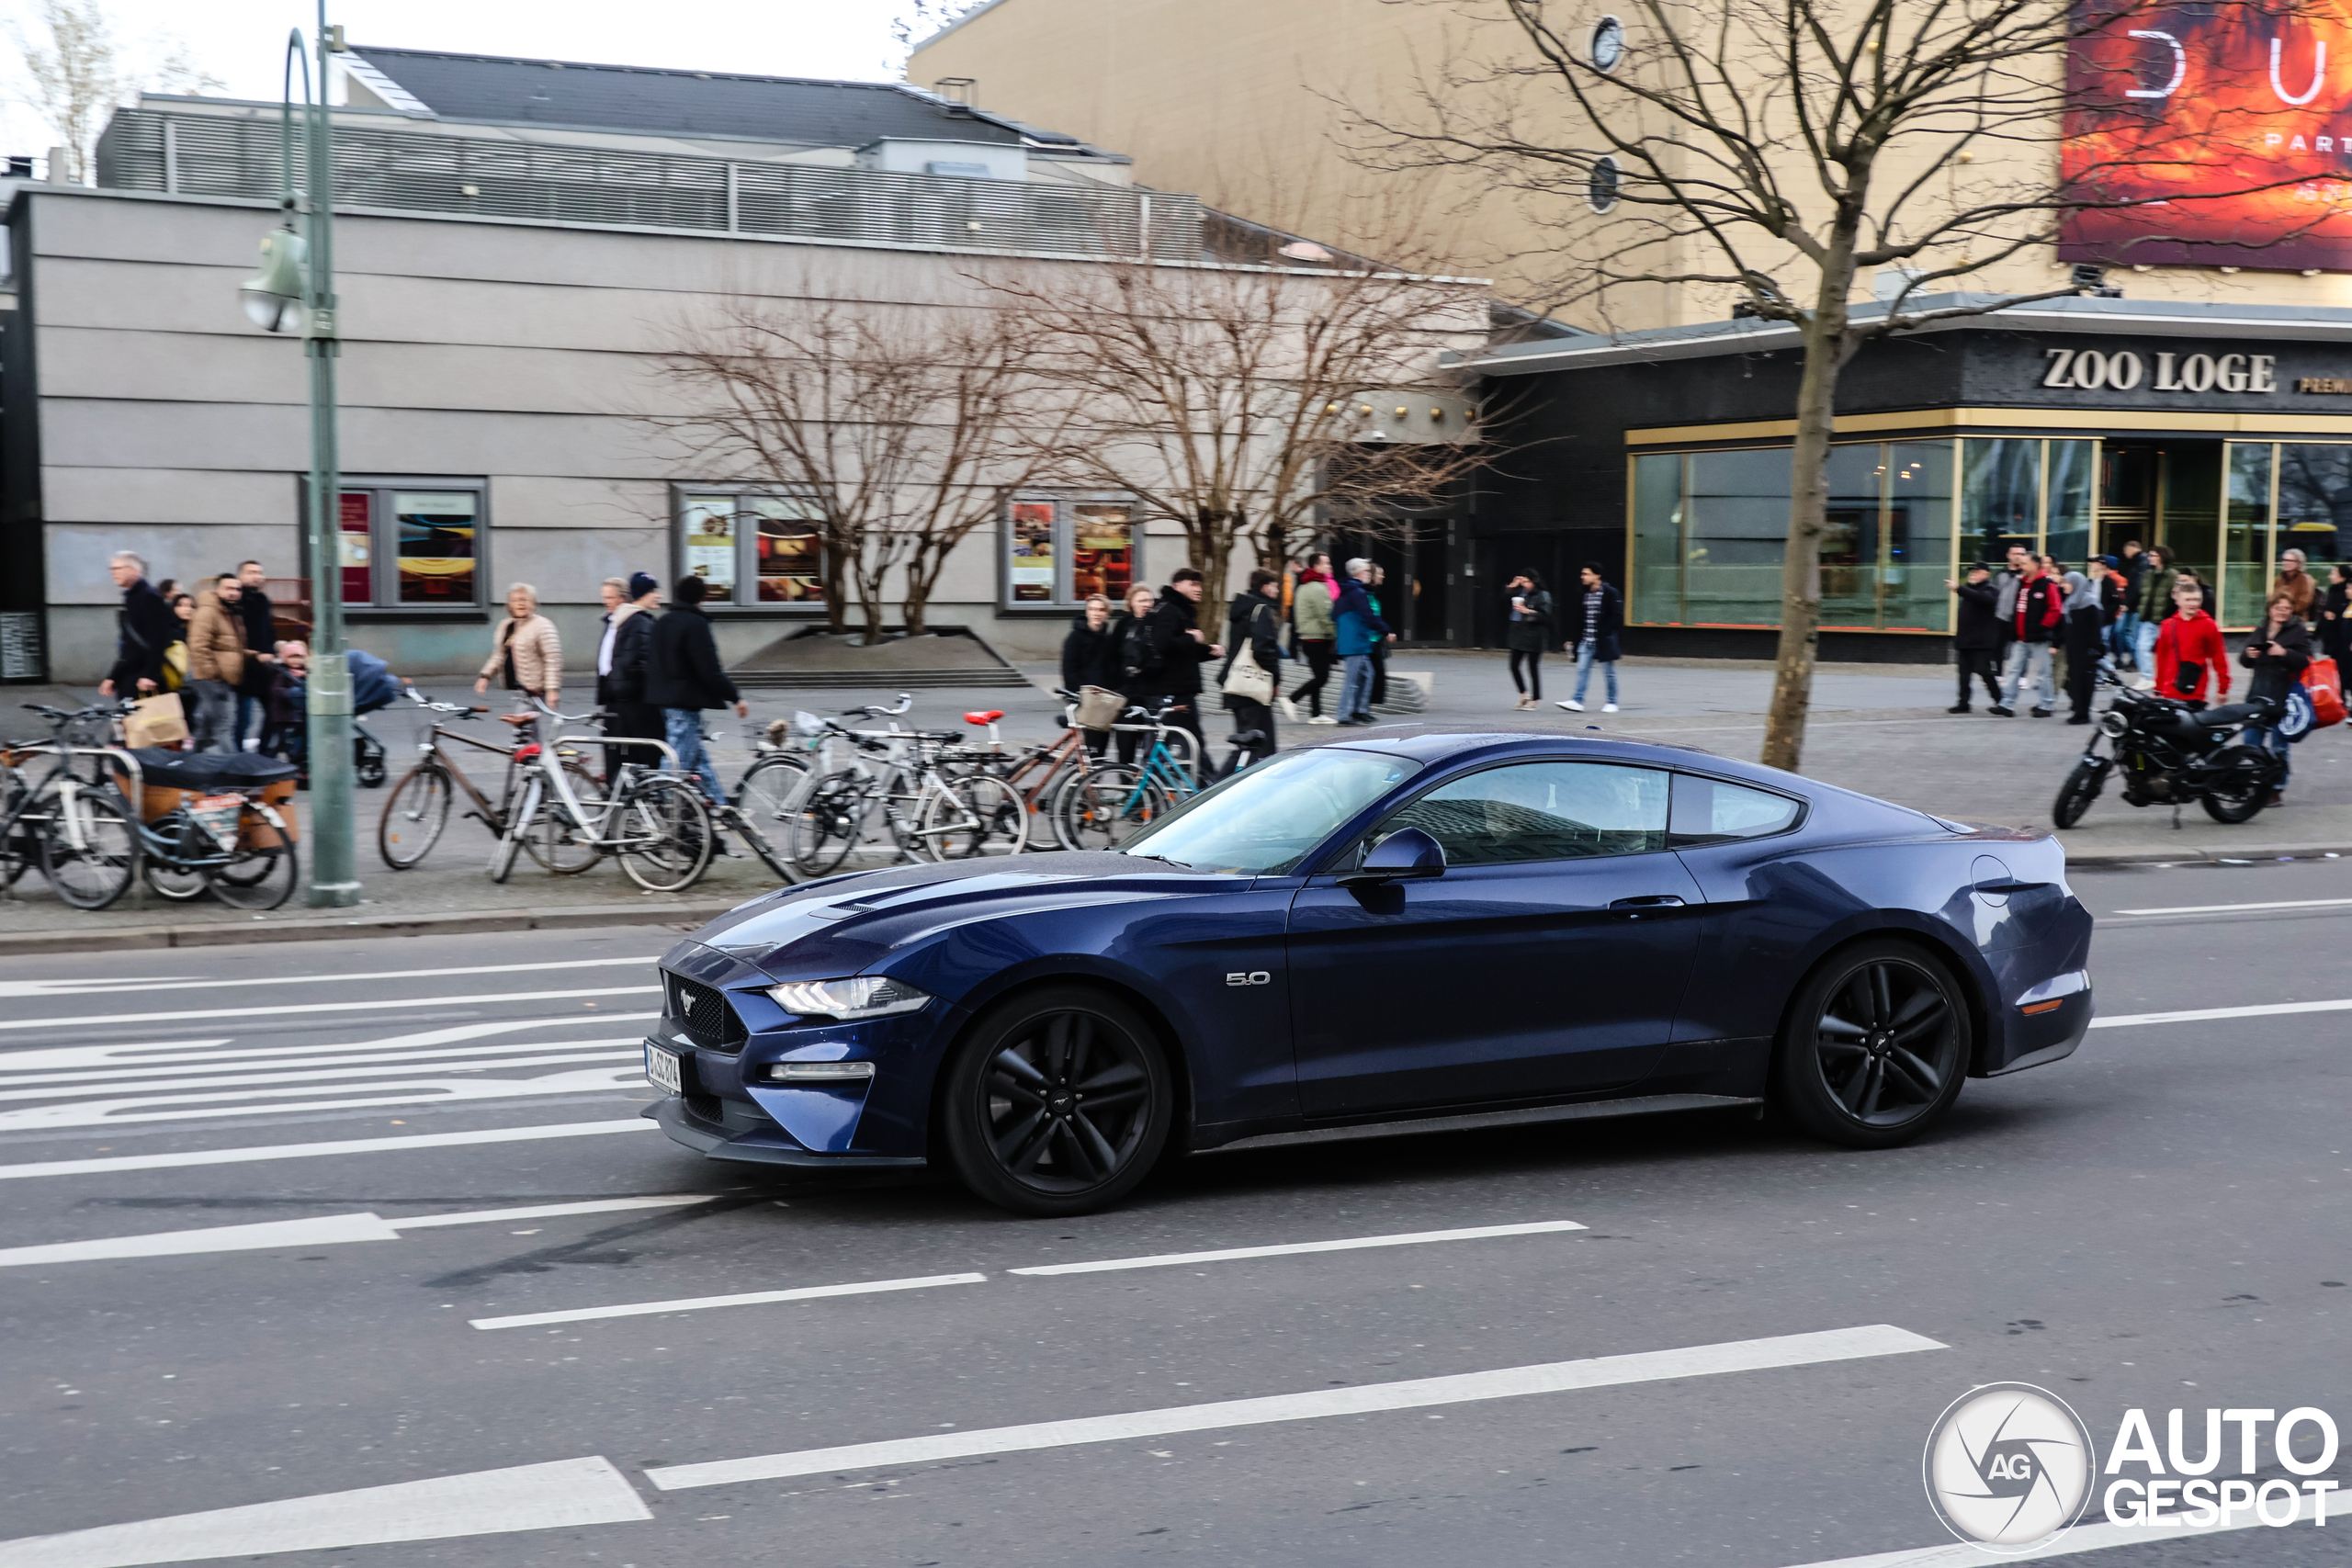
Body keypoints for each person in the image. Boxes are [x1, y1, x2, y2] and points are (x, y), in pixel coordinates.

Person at [646, 573, 747, 806]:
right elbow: (709, 669)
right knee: (677, 761)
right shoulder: (695, 624)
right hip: (684, 702)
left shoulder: (662, 622)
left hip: (663, 700)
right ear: (702, 597)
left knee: (698, 758)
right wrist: (735, 697)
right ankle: (662, 804)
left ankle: (719, 803)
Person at [2238, 592, 2312, 805]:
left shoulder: (2297, 631)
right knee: (2251, 742)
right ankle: (2254, 784)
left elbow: (2306, 661)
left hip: (2284, 695)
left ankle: (2276, 788)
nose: (2282, 611)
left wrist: (2284, 652)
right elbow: (2244, 659)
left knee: (2279, 746)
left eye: (2287, 608)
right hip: (2258, 693)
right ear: (2270, 609)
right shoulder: (2260, 630)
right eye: (2279, 607)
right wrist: (2248, 655)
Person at [1146, 567, 1221, 765]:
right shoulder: (1169, 610)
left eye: (1200, 585)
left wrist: (1207, 652)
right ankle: (1208, 789)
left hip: (1177, 691)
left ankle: (1148, 789)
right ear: (1177, 586)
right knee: (1194, 748)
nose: (1199, 589)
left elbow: (1180, 651)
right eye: (1193, 584)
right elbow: (1164, 644)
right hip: (1172, 694)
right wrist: (1191, 637)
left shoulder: (1180, 610)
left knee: (1163, 748)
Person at [598, 572, 664, 773]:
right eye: (653, 591)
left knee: (628, 750)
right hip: (626, 699)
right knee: (627, 750)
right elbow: (623, 662)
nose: (605, 602)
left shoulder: (630, 621)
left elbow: (632, 662)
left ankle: (624, 793)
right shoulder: (627, 621)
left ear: (623, 598)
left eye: (609, 597)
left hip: (626, 697)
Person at [1219, 569, 1283, 771]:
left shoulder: (1242, 608)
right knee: (1257, 746)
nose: (1277, 590)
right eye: (1275, 586)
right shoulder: (1261, 609)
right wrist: (1276, 678)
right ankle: (1216, 787)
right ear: (1265, 587)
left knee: (1248, 743)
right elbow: (1263, 649)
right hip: (1252, 688)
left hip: (1238, 684)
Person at [99, 550, 178, 700]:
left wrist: (150, 675)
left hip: (142, 679)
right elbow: (129, 644)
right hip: (132, 675)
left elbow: (159, 638)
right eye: (111, 569)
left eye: (117, 568)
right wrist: (114, 676)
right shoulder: (133, 597)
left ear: (133, 570)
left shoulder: (148, 597)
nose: (113, 573)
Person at [1993, 556, 2065, 716]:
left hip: (2038, 638)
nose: (2022, 565)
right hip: (2020, 637)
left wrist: (2043, 627)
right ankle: (2007, 704)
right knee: (2013, 670)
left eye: (2025, 563)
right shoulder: (2021, 584)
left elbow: (2056, 608)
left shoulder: (2047, 585)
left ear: (2036, 565)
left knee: (2042, 673)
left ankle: (2046, 705)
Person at [185, 573, 247, 753]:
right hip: (212, 680)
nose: (234, 593)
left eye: (237, 589)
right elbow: (198, 646)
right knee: (224, 725)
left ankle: (191, 762)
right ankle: (235, 770)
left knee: (205, 726)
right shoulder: (208, 612)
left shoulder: (229, 612)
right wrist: (212, 675)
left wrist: (254, 655)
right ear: (217, 590)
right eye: (228, 589)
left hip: (220, 679)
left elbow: (229, 646)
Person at [475, 582, 561, 707]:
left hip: (534, 691)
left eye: (524, 600)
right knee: (526, 726)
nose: (520, 604)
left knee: (523, 723)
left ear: (532, 603)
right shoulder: (507, 625)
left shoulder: (543, 625)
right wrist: (485, 677)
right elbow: (499, 654)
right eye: (515, 600)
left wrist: (552, 690)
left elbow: (553, 659)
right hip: (518, 689)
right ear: (509, 604)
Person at [1557, 561, 1624, 713]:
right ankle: (1577, 700)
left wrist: (1606, 631)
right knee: (1582, 670)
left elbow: (1617, 616)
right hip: (1586, 640)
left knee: (1609, 672)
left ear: (1597, 575)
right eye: (1582, 574)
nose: (1583, 577)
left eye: (1586, 574)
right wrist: (1573, 639)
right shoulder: (1584, 594)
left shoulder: (1610, 593)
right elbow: (1579, 619)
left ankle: (1612, 702)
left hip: (1603, 641)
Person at [1332, 558, 1392, 727]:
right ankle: (1345, 714)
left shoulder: (1351, 591)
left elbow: (1334, 615)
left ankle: (1360, 710)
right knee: (1352, 680)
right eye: (1367, 571)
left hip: (1358, 641)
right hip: (1355, 642)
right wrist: (1385, 630)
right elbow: (1368, 614)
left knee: (1367, 675)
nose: (1369, 574)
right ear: (1359, 572)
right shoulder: (1356, 592)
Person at [2154, 578, 2228, 705]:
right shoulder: (2167, 625)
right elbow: (2161, 658)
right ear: (2178, 601)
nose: (2193, 604)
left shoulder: (2208, 625)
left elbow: (2218, 657)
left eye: (2197, 599)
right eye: (2188, 600)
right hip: (2169, 687)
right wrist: (2158, 688)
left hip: (2195, 687)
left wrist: (2223, 688)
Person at [1111, 583, 1162, 764]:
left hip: (1151, 693)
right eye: (1141, 600)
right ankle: (1126, 783)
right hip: (1126, 694)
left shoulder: (1159, 624)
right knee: (1125, 743)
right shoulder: (1124, 625)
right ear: (1131, 603)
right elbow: (1112, 655)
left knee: (1151, 745)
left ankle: (1148, 784)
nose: (1146, 604)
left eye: (1149, 600)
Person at [1287, 552, 1338, 725]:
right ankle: (1292, 698)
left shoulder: (1304, 585)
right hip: (1317, 638)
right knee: (1322, 677)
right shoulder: (1317, 587)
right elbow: (1325, 615)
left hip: (1308, 637)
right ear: (1316, 566)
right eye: (1326, 563)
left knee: (1318, 675)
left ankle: (1316, 714)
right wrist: (1335, 634)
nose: (1329, 566)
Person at [1946, 563, 2002, 713]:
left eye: (1977, 572)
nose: (1973, 574)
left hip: (1981, 642)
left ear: (1987, 574)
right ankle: (1963, 703)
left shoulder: (1990, 589)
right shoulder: (1970, 590)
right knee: (1963, 675)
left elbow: (1983, 599)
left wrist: (1959, 588)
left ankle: (2000, 700)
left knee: (1984, 671)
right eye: (1972, 572)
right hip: (1965, 641)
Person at [233, 559, 277, 748]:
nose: (257, 576)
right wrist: (253, 654)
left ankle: (264, 753)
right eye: (251, 572)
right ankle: (237, 757)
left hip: (265, 666)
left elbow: (268, 629)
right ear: (240, 576)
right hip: (242, 667)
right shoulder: (235, 601)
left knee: (275, 713)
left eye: (259, 572)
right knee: (242, 718)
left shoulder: (262, 600)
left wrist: (273, 650)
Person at [2061, 565, 2107, 725]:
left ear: (2076, 583)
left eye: (2066, 583)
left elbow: (2095, 630)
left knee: (2084, 681)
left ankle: (2083, 713)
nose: (2063, 586)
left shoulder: (2090, 604)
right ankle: (2079, 710)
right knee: (2075, 679)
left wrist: (2095, 648)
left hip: (2086, 650)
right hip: (2073, 649)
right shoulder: (2070, 603)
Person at [1503, 570, 1553, 709]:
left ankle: (1535, 699)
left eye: (1527, 582)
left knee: (1532, 667)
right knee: (1513, 665)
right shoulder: (1520, 592)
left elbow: (1547, 616)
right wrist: (1512, 586)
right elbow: (1503, 598)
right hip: (1518, 631)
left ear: (1534, 581)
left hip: (1534, 634)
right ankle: (1523, 693)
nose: (1524, 585)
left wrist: (1528, 611)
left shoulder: (1542, 595)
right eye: (1523, 581)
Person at [2132, 545, 2177, 683]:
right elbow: (2142, 594)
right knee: (2141, 647)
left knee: (2168, 651)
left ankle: (2170, 678)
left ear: (2162, 557)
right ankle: (2148, 677)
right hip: (2148, 618)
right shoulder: (2148, 574)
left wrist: (2168, 615)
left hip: (2165, 620)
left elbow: (2175, 597)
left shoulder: (2172, 575)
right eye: (2149, 555)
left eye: (2152, 556)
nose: (2149, 558)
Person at [2112, 540, 2146, 668]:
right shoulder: (2140, 562)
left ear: (2132, 548)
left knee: (2128, 634)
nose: (2124, 553)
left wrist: (2127, 602)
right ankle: (2135, 660)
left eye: (2125, 550)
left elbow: (2137, 586)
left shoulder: (2141, 562)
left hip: (2134, 605)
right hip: (2133, 604)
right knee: (2125, 632)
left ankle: (2138, 660)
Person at [2271, 547, 2317, 624]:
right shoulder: (2279, 579)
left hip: (2297, 619)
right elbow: (2274, 599)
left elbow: (2302, 604)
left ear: (2299, 563)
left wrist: (2284, 609)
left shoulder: (2306, 580)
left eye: (2289, 560)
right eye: (2284, 560)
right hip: (2278, 618)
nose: (2286, 563)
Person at [2320, 563, 2352, 667]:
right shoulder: (2332, 591)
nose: (2330, 576)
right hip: (2333, 641)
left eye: (2333, 574)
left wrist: (2335, 616)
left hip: (2342, 643)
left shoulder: (2345, 600)